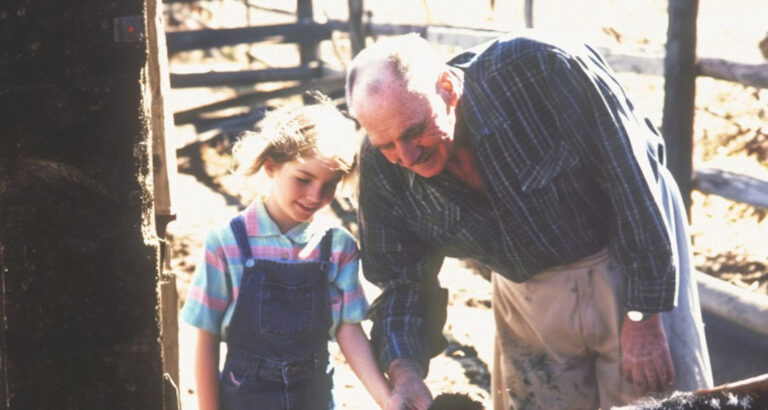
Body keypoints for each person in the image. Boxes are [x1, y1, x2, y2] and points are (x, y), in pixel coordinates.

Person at [344, 32, 713, 410]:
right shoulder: (381, 166)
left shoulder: (543, 68)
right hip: (524, 284)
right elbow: (401, 279)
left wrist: (644, 314)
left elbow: (631, 185)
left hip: (623, 253)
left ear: (447, 89)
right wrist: (404, 372)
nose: (406, 156)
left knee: (655, 399)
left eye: (414, 131)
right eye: (387, 145)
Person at [180, 103, 391, 409]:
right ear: (271, 166)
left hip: (315, 396)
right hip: (245, 399)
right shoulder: (226, 243)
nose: (315, 196)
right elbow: (206, 338)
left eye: (330, 184)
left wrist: (387, 399)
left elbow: (349, 329)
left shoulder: (338, 247)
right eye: (303, 179)